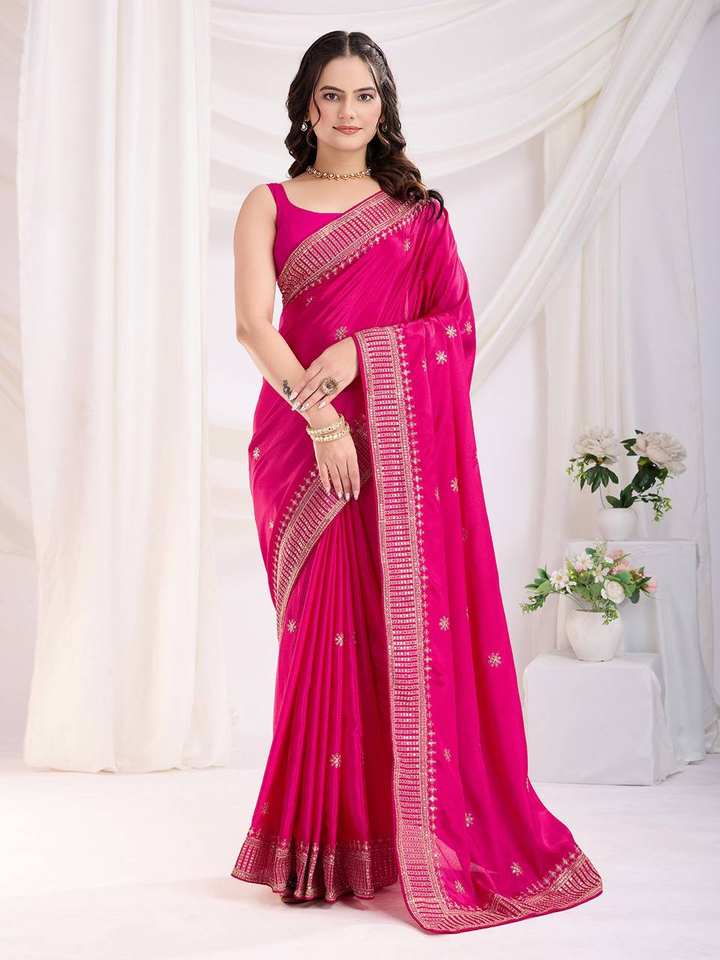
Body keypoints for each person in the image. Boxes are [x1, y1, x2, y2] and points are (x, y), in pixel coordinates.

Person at [229, 30, 603, 934]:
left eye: (364, 95)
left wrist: (364, 350)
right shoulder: (267, 203)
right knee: (320, 638)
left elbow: (455, 327)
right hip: (301, 440)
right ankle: (318, 848)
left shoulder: (416, 214)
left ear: (383, 106)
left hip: (394, 448)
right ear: (306, 104)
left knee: (392, 630)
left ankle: (399, 841)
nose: (348, 112)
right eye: (332, 95)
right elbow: (252, 327)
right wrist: (324, 421)